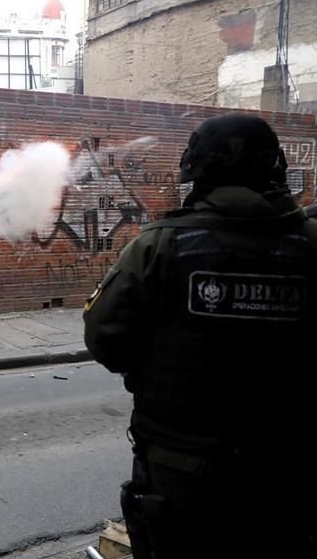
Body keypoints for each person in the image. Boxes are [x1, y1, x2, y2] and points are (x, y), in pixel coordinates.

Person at [83, 114, 317, 557]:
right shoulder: (309, 244)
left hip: (182, 470)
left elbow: (105, 337)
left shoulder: (159, 246)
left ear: (197, 171)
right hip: (288, 466)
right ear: (275, 166)